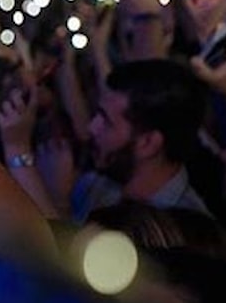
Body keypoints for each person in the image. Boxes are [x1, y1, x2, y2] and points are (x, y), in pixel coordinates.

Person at [71, 59, 212, 222]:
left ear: (148, 143)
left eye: (106, 122)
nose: (92, 127)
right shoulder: (96, 185)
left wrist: (59, 204)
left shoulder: (185, 229)